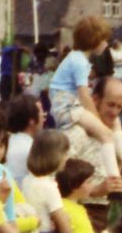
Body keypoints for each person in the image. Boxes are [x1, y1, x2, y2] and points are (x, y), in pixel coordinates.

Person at [47, 17, 116, 147]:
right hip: (66, 108)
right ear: (93, 41)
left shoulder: (76, 57)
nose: (106, 44)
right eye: (104, 40)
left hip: (68, 105)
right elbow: (84, 96)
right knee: (105, 133)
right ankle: (117, 165)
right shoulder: (80, 62)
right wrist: (98, 120)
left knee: (113, 123)